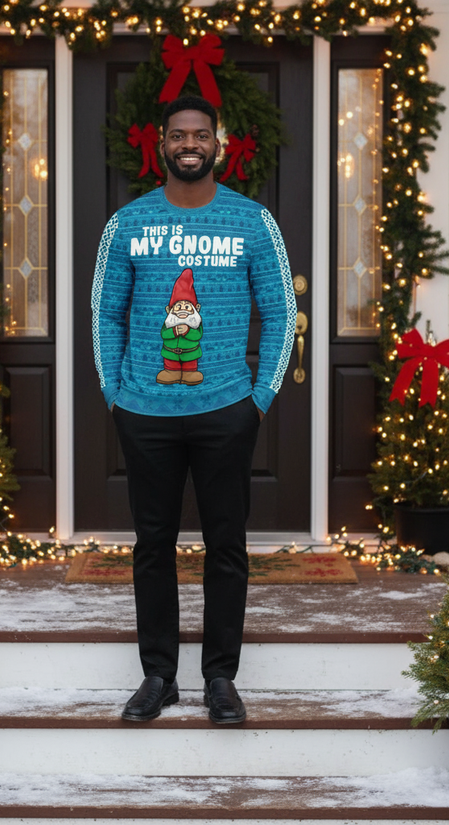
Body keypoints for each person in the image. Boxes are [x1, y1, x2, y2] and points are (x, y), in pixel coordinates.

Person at [91, 95, 296, 724]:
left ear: (218, 144)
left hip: (226, 409)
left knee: (226, 545)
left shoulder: (252, 221)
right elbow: (106, 311)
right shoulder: (126, 224)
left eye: (200, 135)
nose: (189, 144)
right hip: (145, 411)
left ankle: (219, 679)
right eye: (179, 134)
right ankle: (158, 676)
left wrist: (257, 399)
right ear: (161, 143)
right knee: (152, 545)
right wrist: (115, 395)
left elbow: (283, 310)